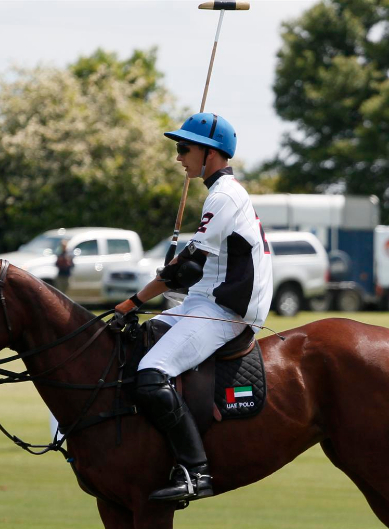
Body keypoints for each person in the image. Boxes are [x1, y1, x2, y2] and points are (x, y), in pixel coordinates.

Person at [111, 112, 273, 503]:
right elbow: (189, 267)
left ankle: (195, 472)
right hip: (204, 300)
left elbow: (187, 269)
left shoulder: (224, 195)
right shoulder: (218, 194)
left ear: (211, 153)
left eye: (185, 148)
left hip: (226, 309)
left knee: (151, 372)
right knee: (133, 343)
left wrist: (133, 301)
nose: (179, 157)